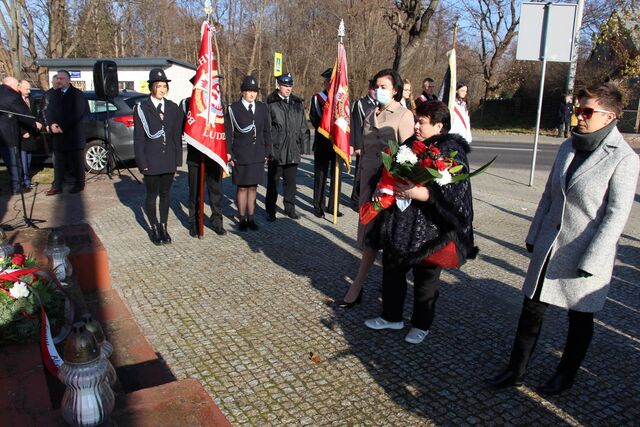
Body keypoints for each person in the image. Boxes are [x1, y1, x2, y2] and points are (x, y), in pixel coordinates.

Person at [485, 82, 639, 395]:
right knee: (532, 308)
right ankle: (516, 370)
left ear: (609, 117)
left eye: (587, 111)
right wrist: (534, 233)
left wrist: (594, 259)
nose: (578, 117)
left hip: (585, 251)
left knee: (580, 317)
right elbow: (548, 196)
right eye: (576, 109)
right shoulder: (568, 146)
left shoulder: (623, 158)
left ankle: (565, 374)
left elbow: (616, 215)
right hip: (550, 244)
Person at [364, 101, 477, 344]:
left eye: (422, 122)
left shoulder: (450, 151)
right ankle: (391, 316)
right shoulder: (409, 145)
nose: (416, 126)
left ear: (438, 125)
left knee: (426, 280)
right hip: (401, 224)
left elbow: (455, 194)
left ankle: (421, 324)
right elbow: (390, 171)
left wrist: (421, 194)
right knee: (392, 270)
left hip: (430, 230)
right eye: (416, 120)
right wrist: (383, 187)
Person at [339, 68, 414, 308]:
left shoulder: (403, 115)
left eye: (384, 87)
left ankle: (382, 287)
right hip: (368, 184)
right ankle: (359, 286)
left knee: (389, 238)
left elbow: (409, 155)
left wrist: (396, 184)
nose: (379, 90)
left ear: (395, 90)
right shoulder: (370, 112)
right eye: (377, 86)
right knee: (370, 237)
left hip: (390, 187)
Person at [133, 68, 184, 245]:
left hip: (168, 159)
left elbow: (176, 135)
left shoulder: (173, 108)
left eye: (164, 86)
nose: (162, 89)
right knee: (152, 195)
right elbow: (138, 139)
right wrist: (142, 162)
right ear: (151, 87)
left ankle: (163, 226)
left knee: (165, 195)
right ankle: (154, 228)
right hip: (151, 160)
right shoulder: (142, 108)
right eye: (158, 86)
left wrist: (177, 160)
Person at [181, 76, 227, 237]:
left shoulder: (219, 103)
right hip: (195, 156)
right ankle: (194, 222)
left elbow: (224, 128)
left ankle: (217, 221)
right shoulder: (187, 104)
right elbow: (183, 129)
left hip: (213, 154)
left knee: (216, 191)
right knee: (194, 192)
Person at [226, 75, 271, 231]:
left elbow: (266, 131)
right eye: (248, 91)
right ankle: (242, 218)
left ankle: (251, 218)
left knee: (253, 187)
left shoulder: (262, 108)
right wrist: (229, 153)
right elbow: (228, 133)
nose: (252, 94)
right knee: (242, 188)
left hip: (258, 154)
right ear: (242, 92)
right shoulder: (233, 109)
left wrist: (267, 151)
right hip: (240, 154)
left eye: (254, 91)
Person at [265, 72, 309, 222]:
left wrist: (303, 147)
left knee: (291, 184)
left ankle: (289, 208)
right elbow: (267, 128)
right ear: (278, 86)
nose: (288, 88)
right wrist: (269, 150)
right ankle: (270, 210)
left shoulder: (297, 103)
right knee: (273, 183)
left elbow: (303, 126)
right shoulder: (270, 103)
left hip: (293, 149)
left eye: (290, 85)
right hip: (276, 151)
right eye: (285, 85)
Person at [46, 69, 89, 195]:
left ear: (69, 80)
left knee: (76, 162)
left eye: (61, 78)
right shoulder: (55, 94)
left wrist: (62, 127)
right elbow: (49, 111)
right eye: (57, 78)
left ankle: (79, 184)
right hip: (58, 136)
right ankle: (57, 186)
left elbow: (77, 113)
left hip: (73, 135)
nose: (58, 81)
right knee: (58, 162)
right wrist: (51, 124)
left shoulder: (77, 94)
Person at [310, 68, 343, 218]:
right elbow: (314, 119)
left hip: (338, 143)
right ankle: (318, 205)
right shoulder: (317, 98)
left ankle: (333, 206)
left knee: (336, 174)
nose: (330, 84)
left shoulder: (341, 99)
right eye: (328, 82)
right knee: (321, 175)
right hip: (322, 142)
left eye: (333, 82)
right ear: (325, 83)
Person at [0, 77, 41, 195]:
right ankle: (16, 187)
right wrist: (34, 124)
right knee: (14, 162)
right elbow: (24, 114)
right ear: (13, 85)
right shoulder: (12, 96)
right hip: (8, 135)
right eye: (17, 84)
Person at [349, 79, 377, 209]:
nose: (376, 92)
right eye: (373, 89)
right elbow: (356, 125)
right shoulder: (360, 103)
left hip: (374, 145)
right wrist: (357, 145)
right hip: (363, 145)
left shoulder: (379, 104)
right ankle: (355, 199)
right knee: (358, 175)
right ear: (369, 89)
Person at [17, 80, 37, 190]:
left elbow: (33, 115)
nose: (29, 91)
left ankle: (26, 178)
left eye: (29, 89)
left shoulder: (31, 99)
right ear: (19, 88)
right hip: (21, 134)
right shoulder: (16, 100)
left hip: (31, 133)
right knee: (22, 159)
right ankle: (24, 181)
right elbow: (16, 118)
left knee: (28, 159)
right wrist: (22, 132)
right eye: (26, 89)